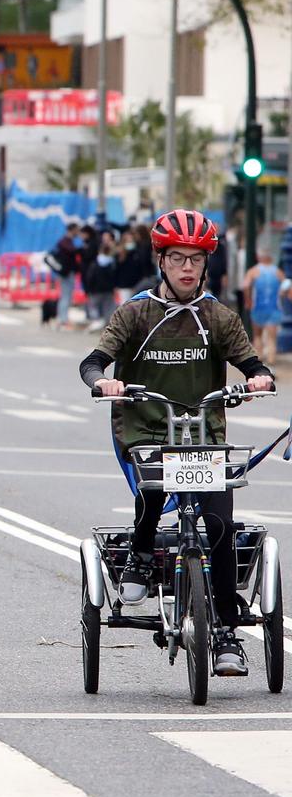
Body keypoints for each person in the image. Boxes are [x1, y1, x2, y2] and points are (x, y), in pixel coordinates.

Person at [84, 209, 274, 677]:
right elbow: (93, 362)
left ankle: (227, 633)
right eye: (177, 259)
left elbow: (252, 363)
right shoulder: (134, 313)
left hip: (205, 435)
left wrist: (260, 378)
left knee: (220, 526)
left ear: (207, 263)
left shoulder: (218, 316)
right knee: (151, 493)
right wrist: (104, 382)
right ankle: (140, 556)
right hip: (146, 430)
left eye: (195, 259)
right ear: (161, 261)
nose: (187, 268)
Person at [244, 253, 283, 356]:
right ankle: (271, 359)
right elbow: (286, 286)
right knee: (272, 338)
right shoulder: (278, 272)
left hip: (258, 307)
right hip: (274, 308)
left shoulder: (253, 271)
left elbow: (246, 286)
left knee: (257, 335)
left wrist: (248, 300)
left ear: (258, 258)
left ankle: (259, 356)